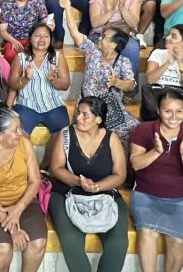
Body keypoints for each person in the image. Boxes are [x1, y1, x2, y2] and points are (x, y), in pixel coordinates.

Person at [48, 97, 129, 272]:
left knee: (118, 243)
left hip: (104, 193)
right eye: (78, 113)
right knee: (71, 240)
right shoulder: (66, 135)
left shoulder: (111, 138)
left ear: (98, 119)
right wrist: (79, 182)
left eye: (85, 115)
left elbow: (120, 175)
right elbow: (56, 168)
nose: (78, 118)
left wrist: (97, 187)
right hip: (66, 193)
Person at [129, 91, 183, 272]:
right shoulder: (144, 130)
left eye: (179, 111)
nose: (174, 117)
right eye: (168, 111)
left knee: (177, 240)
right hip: (146, 196)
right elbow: (136, 164)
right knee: (147, 233)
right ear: (158, 110)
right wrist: (155, 152)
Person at [61, 0, 139, 150]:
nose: (100, 38)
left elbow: (130, 84)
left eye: (105, 37)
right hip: (87, 108)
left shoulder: (123, 62)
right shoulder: (92, 51)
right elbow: (74, 32)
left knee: (136, 131)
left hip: (111, 109)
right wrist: (68, 8)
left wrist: (117, 82)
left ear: (114, 44)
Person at [0, 108, 47, 272]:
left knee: (38, 242)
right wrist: (14, 230)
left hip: (24, 201)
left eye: (19, 127)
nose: (20, 133)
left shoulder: (25, 144)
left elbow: (35, 181)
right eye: (15, 130)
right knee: (2, 248)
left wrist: (18, 208)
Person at [9, 23, 71, 138]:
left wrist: (53, 81)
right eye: (37, 35)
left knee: (63, 139)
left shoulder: (57, 57)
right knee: (18, 136)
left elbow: (66, 84)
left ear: (50, 39)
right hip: (26, 106)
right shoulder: (21, 57)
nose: (42, 39)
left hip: (54, 106)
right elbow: (12, 84)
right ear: (30, 38)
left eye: (46, 36)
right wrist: (26, 78)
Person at [88, 0, 144, 78]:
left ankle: (129, 85)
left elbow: (133, 24)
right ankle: (101, 85)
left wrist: (123, 9)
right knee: (101, 49)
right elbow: (95, 23)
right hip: (101, 34)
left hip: (124, 35)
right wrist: (112, 10)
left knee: (132, 48)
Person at [145, 24, 183, 111]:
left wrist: (180, 62)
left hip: (182, 100)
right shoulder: (157, 53)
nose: (167, 38)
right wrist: (168, 62)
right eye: (168, 34)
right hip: (157, 96)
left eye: (173, 36)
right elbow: (150, 80)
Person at [0, 0, 49, 65]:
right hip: (13, 39)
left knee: (37, 55)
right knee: (10, 55)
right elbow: (3, 30)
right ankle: (15, 74)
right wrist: (14, 41)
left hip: (33, 39)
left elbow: (46, 22)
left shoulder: (36, 2)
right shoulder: (7, 6)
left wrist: (50, 25)